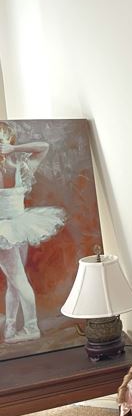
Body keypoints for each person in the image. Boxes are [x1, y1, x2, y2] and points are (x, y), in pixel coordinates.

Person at [0, 122, 66, 344]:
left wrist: (14, 150)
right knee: (13, 281)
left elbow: (43, 146)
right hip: (17, 227)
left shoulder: (21, 166)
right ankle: (10, 326)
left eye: (2, 140)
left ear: (9, 142)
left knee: (18, 279)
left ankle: (30, 328)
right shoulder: (18, 167)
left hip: (14, 227)